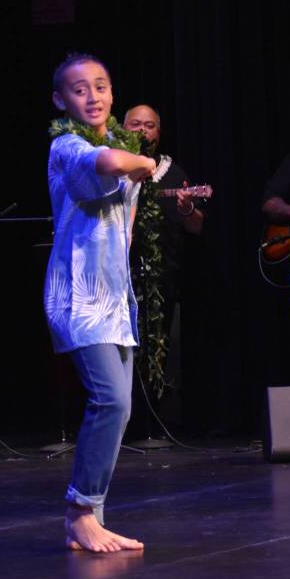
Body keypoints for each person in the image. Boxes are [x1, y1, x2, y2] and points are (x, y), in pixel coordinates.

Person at [44, 53, 155, 553]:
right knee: (110, 399)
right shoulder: (66, 147)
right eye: (79, 89)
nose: (93, 96)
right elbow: (111, 165)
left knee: (120, 407)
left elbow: (123, 225)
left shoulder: (115, 140)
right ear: (61, 101)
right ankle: (80, 512)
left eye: (101, 86)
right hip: (79, 295)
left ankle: (91, 517)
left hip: (114, 296)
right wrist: (146, 162)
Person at [123, 104, 205, 434]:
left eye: (150, 125)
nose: (143, 131)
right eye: (135, 124)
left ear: (159, 132)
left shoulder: (172, 172)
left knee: (159, 350)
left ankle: (153, 423)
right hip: (117, 275)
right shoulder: (112, 168)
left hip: (163, 276)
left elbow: (197, 228)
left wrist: (188, 210)